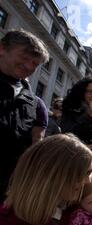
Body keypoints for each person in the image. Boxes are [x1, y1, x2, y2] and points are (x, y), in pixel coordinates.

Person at [0, 29, 49, 202]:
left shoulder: (36, 104)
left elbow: (35, 147)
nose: (29, 66)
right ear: (2, 48)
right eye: (24, 57)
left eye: (35, 64)